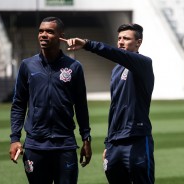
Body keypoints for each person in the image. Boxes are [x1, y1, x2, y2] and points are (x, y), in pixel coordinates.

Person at [60, 23, 155, 184]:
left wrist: (87, 44)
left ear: (139, 42)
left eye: (126, 38)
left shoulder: (144, 63)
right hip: (115, 144)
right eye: (119, 38)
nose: (121, 42)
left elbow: (115, 53)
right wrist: (108, 143)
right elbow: (115, 109)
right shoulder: (116, 70)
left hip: (136, 139)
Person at [9, 17, 92, 184]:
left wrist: (86, 138)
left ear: (61, 36)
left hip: (65, 145)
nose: (43, 35)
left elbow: (81, 106)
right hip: (35, 146)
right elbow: (19, 104)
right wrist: (15, 139)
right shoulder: (27, 65)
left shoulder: (74, 67)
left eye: (49, 31)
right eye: (41, 31)